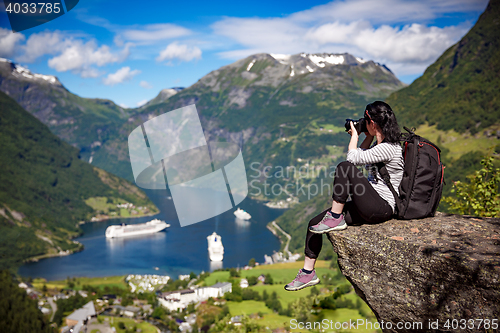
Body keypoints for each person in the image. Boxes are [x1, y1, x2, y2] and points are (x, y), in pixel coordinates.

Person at [284, 101, 404, 291]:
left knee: (343, 166)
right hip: (370, 204)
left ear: (373, 123)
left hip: (382, 207)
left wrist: (355, 134)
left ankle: (335, 217)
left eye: (366, 121)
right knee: (314, 224)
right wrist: (365, 135)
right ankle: (308, 273)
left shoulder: (390, 147)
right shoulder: (380, 145)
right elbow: (361, 157)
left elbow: (351, 161)